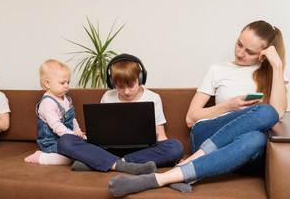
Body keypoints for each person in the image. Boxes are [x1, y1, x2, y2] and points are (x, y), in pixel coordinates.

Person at [107, 20, 288, 197]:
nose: (240, 53)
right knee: (266, 112)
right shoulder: (218, 69)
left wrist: (277, 66)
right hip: (207, 134)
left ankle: (166, 176)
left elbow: (278, 113)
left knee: (257, 136)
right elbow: (191, 118)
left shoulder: (273, 74)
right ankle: (193, 160)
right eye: (239, 44)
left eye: (250, 52)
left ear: (263, 54)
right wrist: (228, 106)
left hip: (241, 151)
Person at [56, 54, 184, 175]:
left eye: (131, 85)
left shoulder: (153, 97)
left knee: (176, 147)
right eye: (120, 87)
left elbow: (161, 136)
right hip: (109, 149)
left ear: (139, 78)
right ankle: (123, 165)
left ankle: (102, 163)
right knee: (65, 141)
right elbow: (100, 131)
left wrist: (174, 157)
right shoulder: (107, 96)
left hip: (142, 151)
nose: (127, 91)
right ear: (112, 83)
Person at [25, 59, 83, 165]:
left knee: (86, 146)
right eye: (62, 83)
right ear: (48, 83)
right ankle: (41, 158)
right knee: (73, 156)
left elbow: (72, 119)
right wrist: (71, 135)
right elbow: (55, 125)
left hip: (67, 138)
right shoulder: (47, 103)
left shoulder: (67, 99)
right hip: (51, 142)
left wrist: (78, 133)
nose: (66, 86)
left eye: (68, 82)